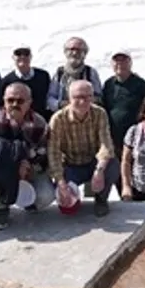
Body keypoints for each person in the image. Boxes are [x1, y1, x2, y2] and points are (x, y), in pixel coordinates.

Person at [0, 82, 54, 229]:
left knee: (46, 196)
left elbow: (42, 153)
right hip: (0, 166)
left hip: (29, 167)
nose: (14, 104)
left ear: (29, 102)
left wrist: (29, 165)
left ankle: (27, 201)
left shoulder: (39, 122)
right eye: (10, 100)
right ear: (4, 100)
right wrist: (13, 164)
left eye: (20, 101)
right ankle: (1, 208)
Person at [47, 80, 118, 217]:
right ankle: (73, 197)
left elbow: (106, 144)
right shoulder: (58, 119)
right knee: (68, 209)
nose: (83, 101)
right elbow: (53, 153)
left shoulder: (100, 113)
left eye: (87, 97)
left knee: (113, 165)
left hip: (93, 163)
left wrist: (99, 170)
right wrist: (61, 182)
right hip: (70, 166)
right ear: (69, 98)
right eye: (78, 97)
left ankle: (101, 200)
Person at [102, 50, 145, 186]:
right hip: (114, 139)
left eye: (124, 60)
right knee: (117, 174)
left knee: (135, 173)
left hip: (135, 139)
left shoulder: (142, 85)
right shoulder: (108, 84)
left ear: (130, 63)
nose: (120, 64)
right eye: (116, 61)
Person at [47, 37, 104, 114]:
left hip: (86, 116)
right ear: (65, 52)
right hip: (63, 116)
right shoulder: (59, 73)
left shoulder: (90, 72)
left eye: (79, 50)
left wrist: (83, 102)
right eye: (71, 49)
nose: (74, 53)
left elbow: (99, 97)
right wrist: (60, 104)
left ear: (85, 53)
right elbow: (50, 98)